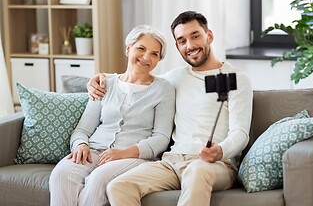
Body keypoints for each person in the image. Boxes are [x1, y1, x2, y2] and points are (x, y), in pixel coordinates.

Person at [87, 11, 253, 206]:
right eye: (182, 41)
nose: (190, 46)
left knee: (196, 171)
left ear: (209, 36)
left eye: (195, 36)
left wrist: (221, 151)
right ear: (177, 46)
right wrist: (101, 78)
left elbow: (240, 132)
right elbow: (136, 76)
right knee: (119, 185)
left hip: (214, 165)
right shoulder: (174, 78)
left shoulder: (237, 78)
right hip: (171, 162)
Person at [49, 25, 175, 206]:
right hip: (92, 151)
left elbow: (161, 138)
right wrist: (81, 144)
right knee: (61, 174)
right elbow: (83, 129)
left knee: (98, 179)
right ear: (128, 49)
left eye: (154, 54)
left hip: (133, 156)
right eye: (141, 48)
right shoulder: (104, 83)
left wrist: (124, 152)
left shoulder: (164, 89)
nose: (146, 57)